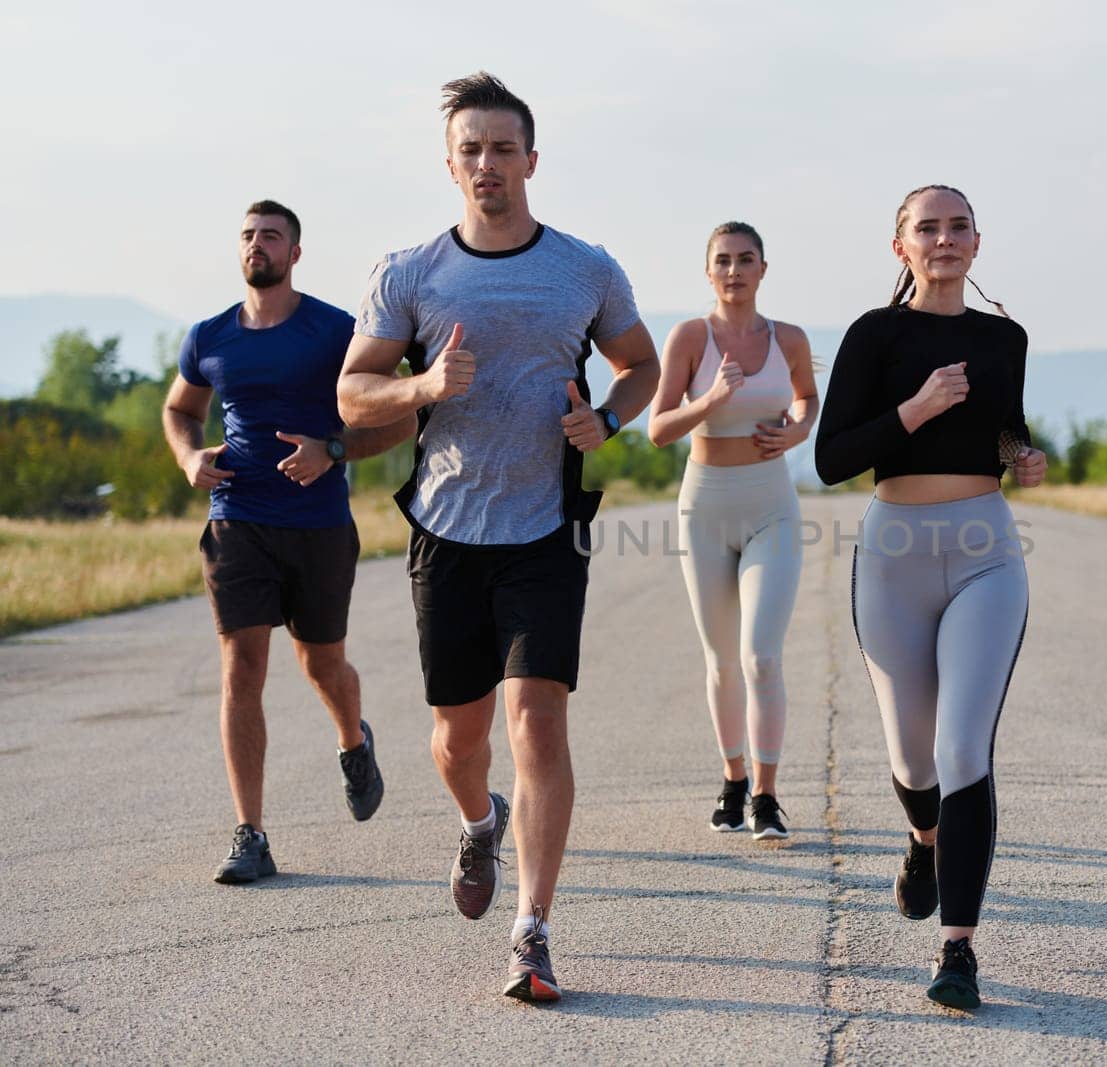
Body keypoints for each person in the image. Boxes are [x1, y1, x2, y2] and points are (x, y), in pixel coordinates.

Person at [337, 72, 659, 1005]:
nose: (487, 163)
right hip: (446, 530)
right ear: (450, 163)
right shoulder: (409, 273)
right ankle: (478, 821)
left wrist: (608, 418)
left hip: (545, 530)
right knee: (456, 741)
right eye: (469, 149)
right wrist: (425, 388)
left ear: (530, 159)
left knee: (538, 721)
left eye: (502, 148)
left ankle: (533, 930)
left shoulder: (584, 268)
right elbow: (354, 396)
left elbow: (638, 365)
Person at [813, 185, 1047, 1010]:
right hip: (894, 554)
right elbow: (832, 458)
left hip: (985, 550)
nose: (943, 240)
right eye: (927, 228)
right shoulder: (876, 335)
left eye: (957, 228)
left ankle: (959, 951)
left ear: (978, 244)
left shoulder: (1005, 337)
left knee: (962, 752)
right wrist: (915, 408)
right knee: (913, 762)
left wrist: (1022, 451)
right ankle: (922, 840)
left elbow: (1004, 421)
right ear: (900, 246)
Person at [162, 199, 417, 886]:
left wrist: (333, 448)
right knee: (242, 667)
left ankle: (353, 740)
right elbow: (179, 409)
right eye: (247, 235)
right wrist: (189, 458)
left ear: (294, 253)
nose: (257, 245)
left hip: (319, 527)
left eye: (271, 236)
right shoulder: (210, 334)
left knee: (322, 666)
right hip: (236, 517)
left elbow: (401, 414)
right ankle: (251, 832)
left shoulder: (335, 330)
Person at [648, 222, 818, 841]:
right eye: (723, 261)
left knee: (761, 657)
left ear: (763, 270)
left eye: (746, 260)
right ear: (708, 272)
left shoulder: (789, 338)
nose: (734, 271)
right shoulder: (691, 337)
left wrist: (798, 430)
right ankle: (733, 779)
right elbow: (659, 428)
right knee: (722, 660)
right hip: (706, 506)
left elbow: (807, 400)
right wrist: (711, 399)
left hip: (772, 503)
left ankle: (767, 797)